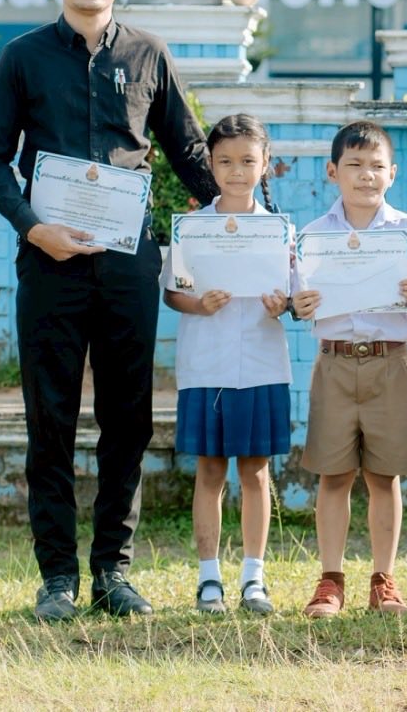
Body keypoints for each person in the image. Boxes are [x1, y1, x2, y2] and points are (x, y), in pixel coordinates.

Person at [0, 0, 219, 623]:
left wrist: (245, 218)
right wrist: (34, 227)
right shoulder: (23, 58)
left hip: (127, 264)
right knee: (49, 419)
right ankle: (57, 577)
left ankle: (113, 570)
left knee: (128, 418)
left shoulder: (149, 55)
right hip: (49, 263)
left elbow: (189, 151)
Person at [290, 119, 407, 618]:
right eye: (354, 165)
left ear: (392, 173)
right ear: (333, 172)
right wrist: (299, 305)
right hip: (335, 362)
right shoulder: (313, 236)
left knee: (384, 476)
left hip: (390, 362)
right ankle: (330, 581)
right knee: (333, 475)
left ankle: (383, 580)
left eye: (376, 166)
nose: (366, 175)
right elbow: (298, 301)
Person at [162, 113, 291, 616]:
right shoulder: (192, 229)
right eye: (225, 162)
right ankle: (209, 579)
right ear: (211, 166)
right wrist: (199, 304)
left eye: (247, 161)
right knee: (210, 469)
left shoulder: (280, 231)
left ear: (265, 165)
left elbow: (296, 295)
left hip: (260, 363)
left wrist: (283, 304)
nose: (237, 171)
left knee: (256, 471)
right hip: (207, 364)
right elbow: (173, 293)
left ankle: (253, 579)